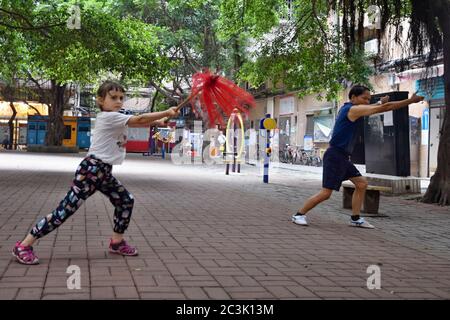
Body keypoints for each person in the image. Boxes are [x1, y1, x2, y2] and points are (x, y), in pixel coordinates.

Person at [12, 80, 179, 265]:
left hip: (103, 172)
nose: (118, 101)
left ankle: (117, 242)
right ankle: (24, 245)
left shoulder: (118, 115)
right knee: (64, 211)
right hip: (91, 171)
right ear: (101, 100)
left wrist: (159, 121)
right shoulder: (108, 117)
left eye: (121, 98)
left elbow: (138, 122)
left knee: (125, 200)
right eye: (113, 97)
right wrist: (166, 112)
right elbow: (139, 120)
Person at [292, 85, 424, 229]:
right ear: (353, 97)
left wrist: (379, 102)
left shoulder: (352, 108)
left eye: (369, 98)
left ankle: (355, 218)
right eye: (364, 98)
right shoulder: (352, 110)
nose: (367, 101)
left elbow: (374, 107)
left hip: (342, 156)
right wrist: (409, 101)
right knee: (326, 193)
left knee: (361, 184)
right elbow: (383, 109)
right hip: (335, 156)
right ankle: (299, 214)